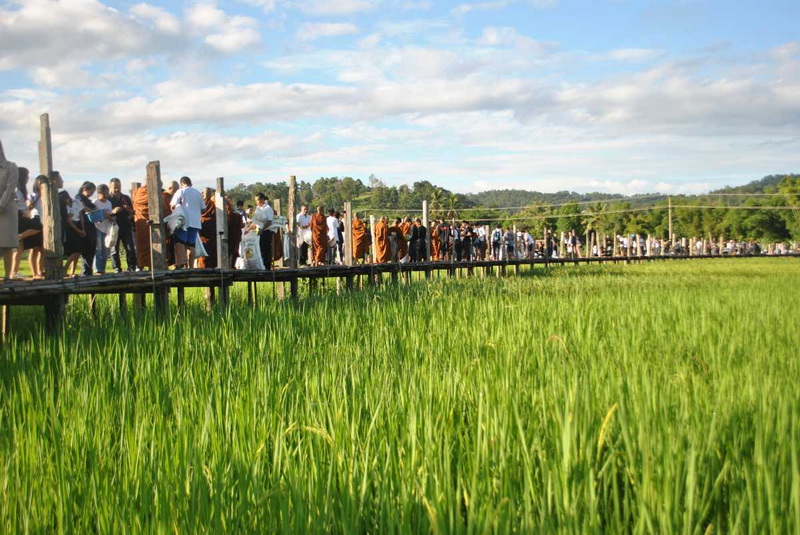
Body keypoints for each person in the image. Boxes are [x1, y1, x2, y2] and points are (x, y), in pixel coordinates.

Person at [170, 176, 204, 269]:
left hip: (183, 222)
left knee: (180, 242)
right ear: (190, 183)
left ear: (181, 183)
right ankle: (191, 267)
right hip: (195, 222)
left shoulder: (180, 191)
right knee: (191, 244)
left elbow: (172, 206)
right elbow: (203, 208)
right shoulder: (198, 193)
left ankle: (181, 265)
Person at [108, 177, 137, 273]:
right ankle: (117, 269)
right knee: (114, 249)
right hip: (113, 227)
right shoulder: (108, 199)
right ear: (110, 187)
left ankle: (131, 268)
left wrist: (129, 210)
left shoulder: (126, 198)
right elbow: (104, 213)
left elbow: (133, 213)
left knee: (130, 248)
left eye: (118, 187)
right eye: (115, 187)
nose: (117, 189)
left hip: (126, 226)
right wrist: (113, 211)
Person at [0, 141, 19, 280]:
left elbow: (10, 187)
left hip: (7, 208)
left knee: (7, 243)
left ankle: (8, 276)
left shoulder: (11, 166)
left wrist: (1, 204)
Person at [92, 184, 114, 275]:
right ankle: (97, 269)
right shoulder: (95, 202)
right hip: (98, 227)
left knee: (106, 249)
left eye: (107, 193)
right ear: (99, 193)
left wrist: (111, 217)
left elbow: (110, 213)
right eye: (104, 193)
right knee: (99, 249)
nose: (106, 195)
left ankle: (103, 268)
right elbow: (94, 216)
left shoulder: (109, 203)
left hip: (107, 228)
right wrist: (104, 215)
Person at [252, 193, 274, 270]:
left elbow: (269, 221)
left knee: (266, 249)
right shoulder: (258, 208)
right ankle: (261, 266)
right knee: (260, 249)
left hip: (266, 231)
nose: (256, 202)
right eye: (255, 201)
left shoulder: (268, 208)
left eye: (257, 200)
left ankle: (267, 267)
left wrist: (262, 229)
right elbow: (255, 221)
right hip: (259, 231)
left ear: (262, 199)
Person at [198, 187, 217, 268]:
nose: (203, 194)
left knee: (210, 255)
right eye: (202, 193)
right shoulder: (199, 203)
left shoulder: (213, 205)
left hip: (210, 234)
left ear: (209, 194)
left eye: (205, 193)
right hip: (202, 233)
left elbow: (213, 218)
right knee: (202, 256)